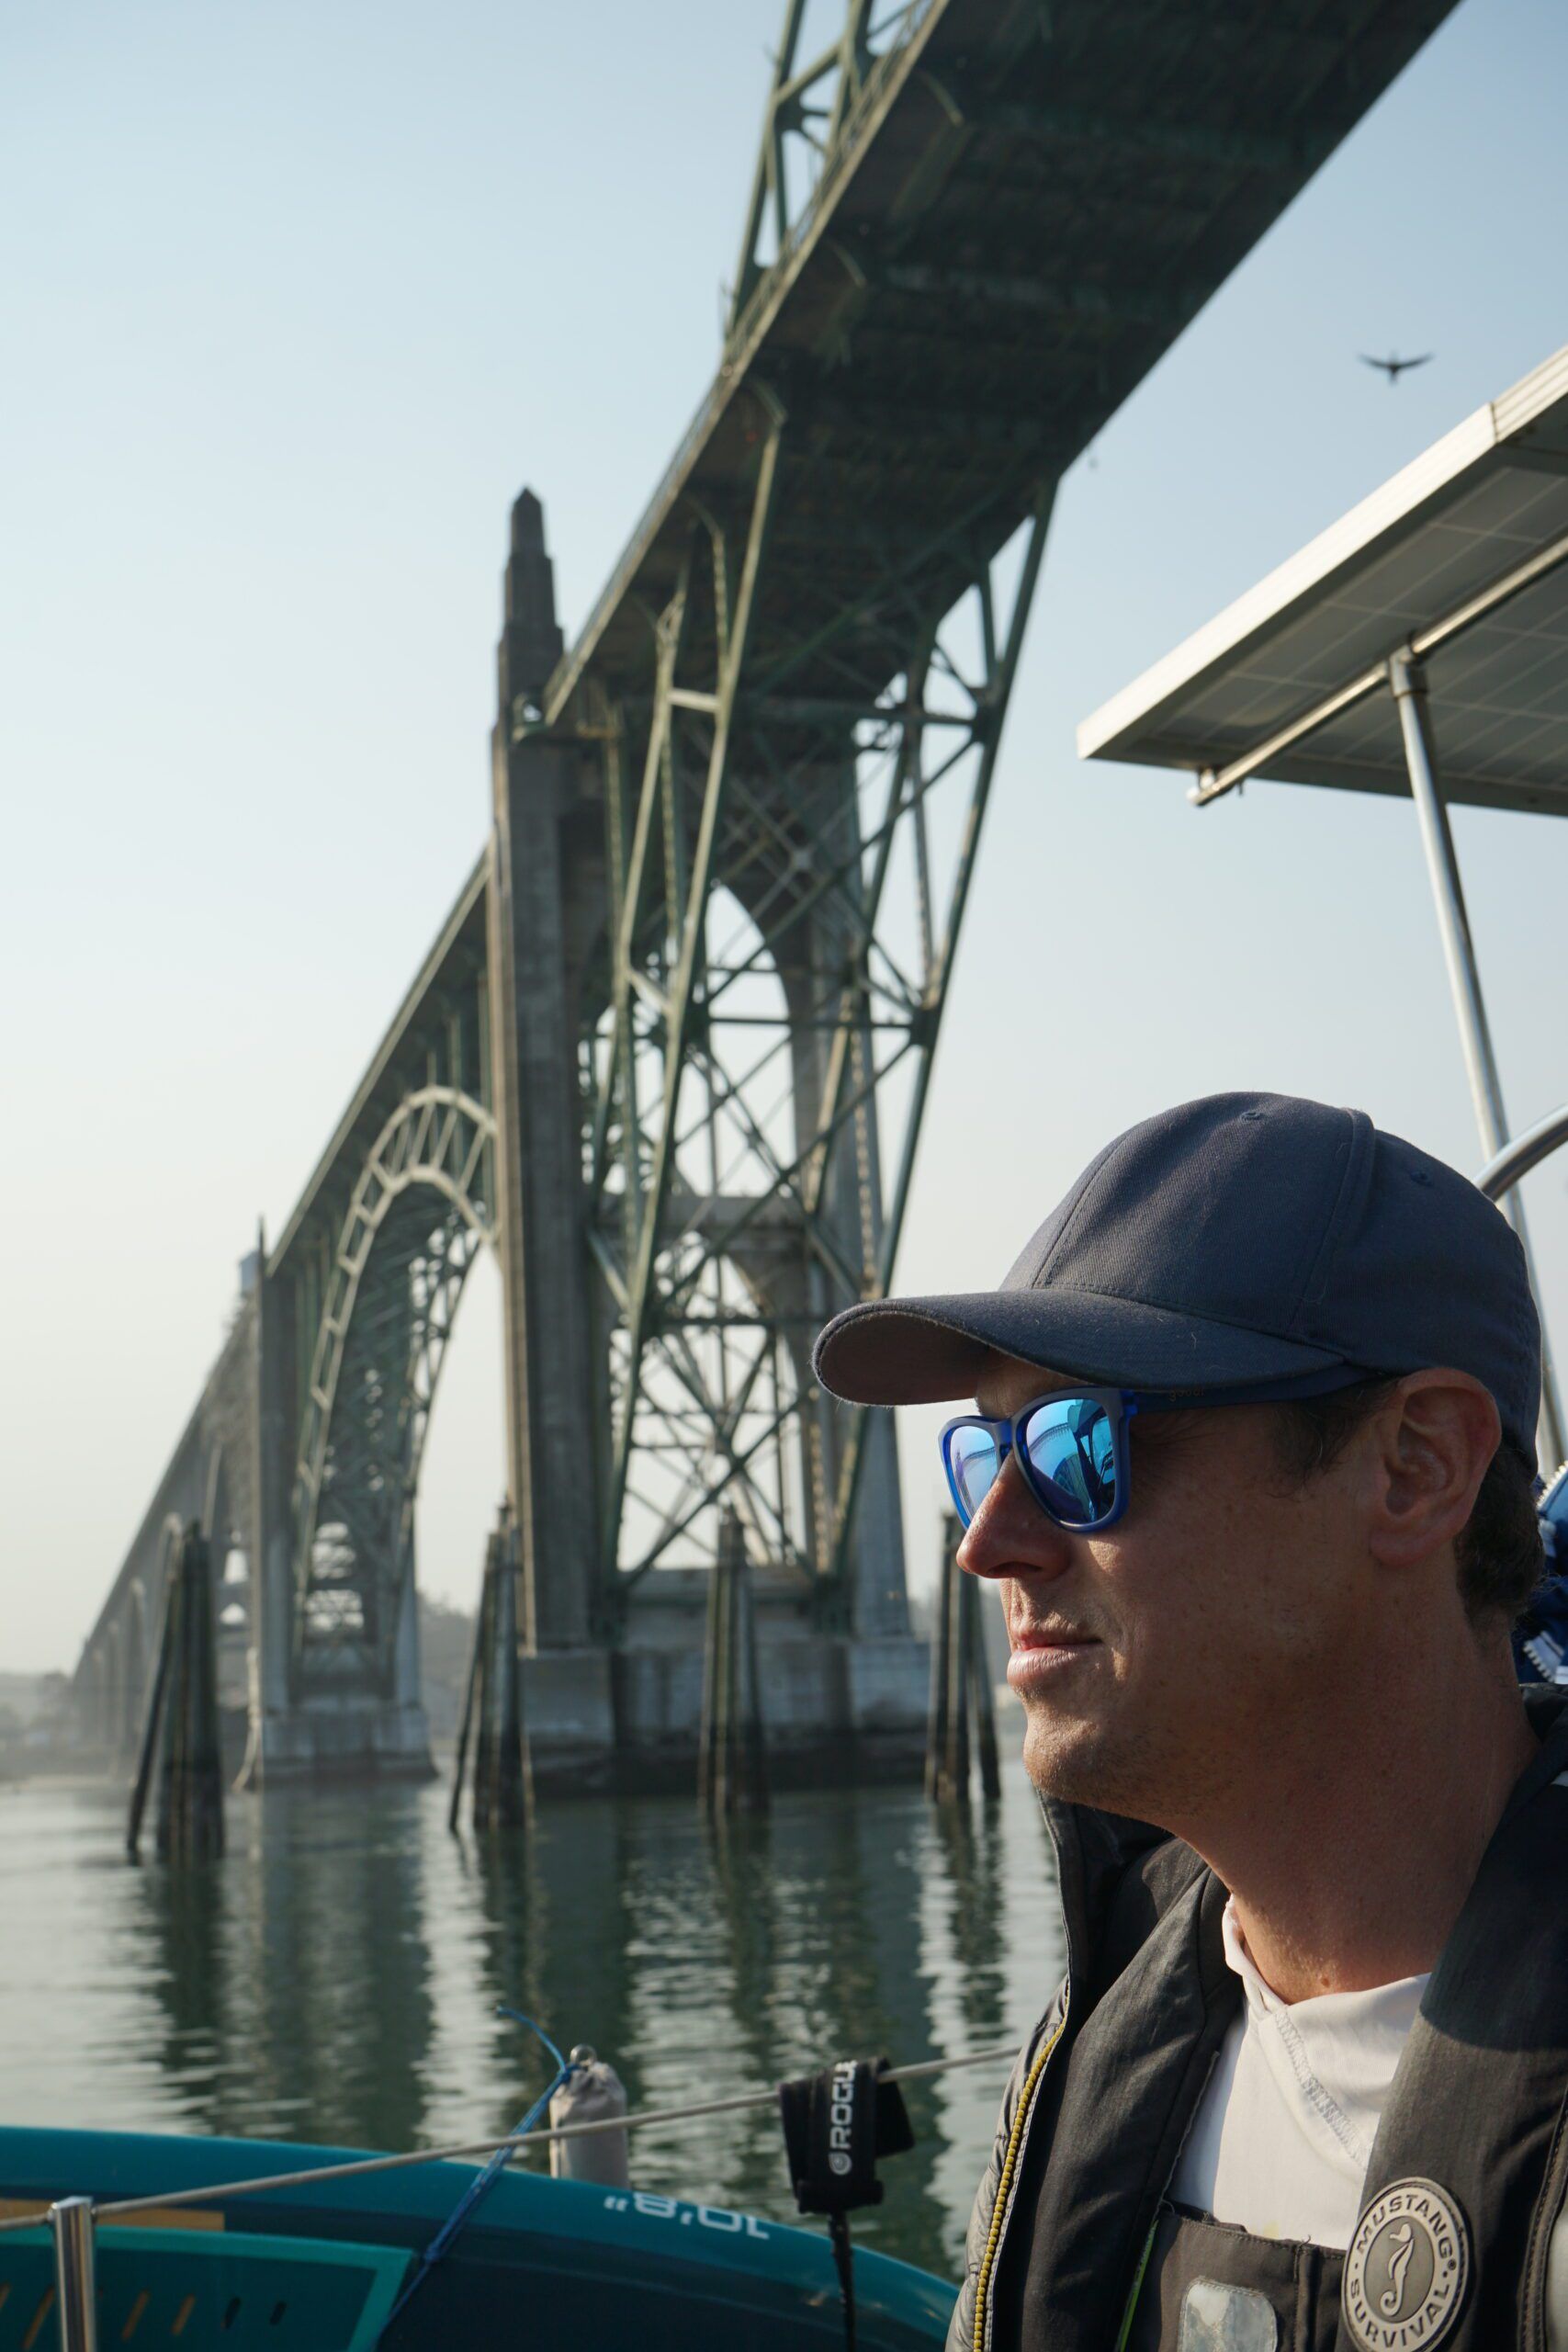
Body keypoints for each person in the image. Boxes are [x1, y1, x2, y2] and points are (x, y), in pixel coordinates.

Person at [813, 1092, 1568, 2352]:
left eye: (1077, 1447)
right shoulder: (1097, 2062)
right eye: (980, 1455)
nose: (988, 1543)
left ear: (1416, 1466)